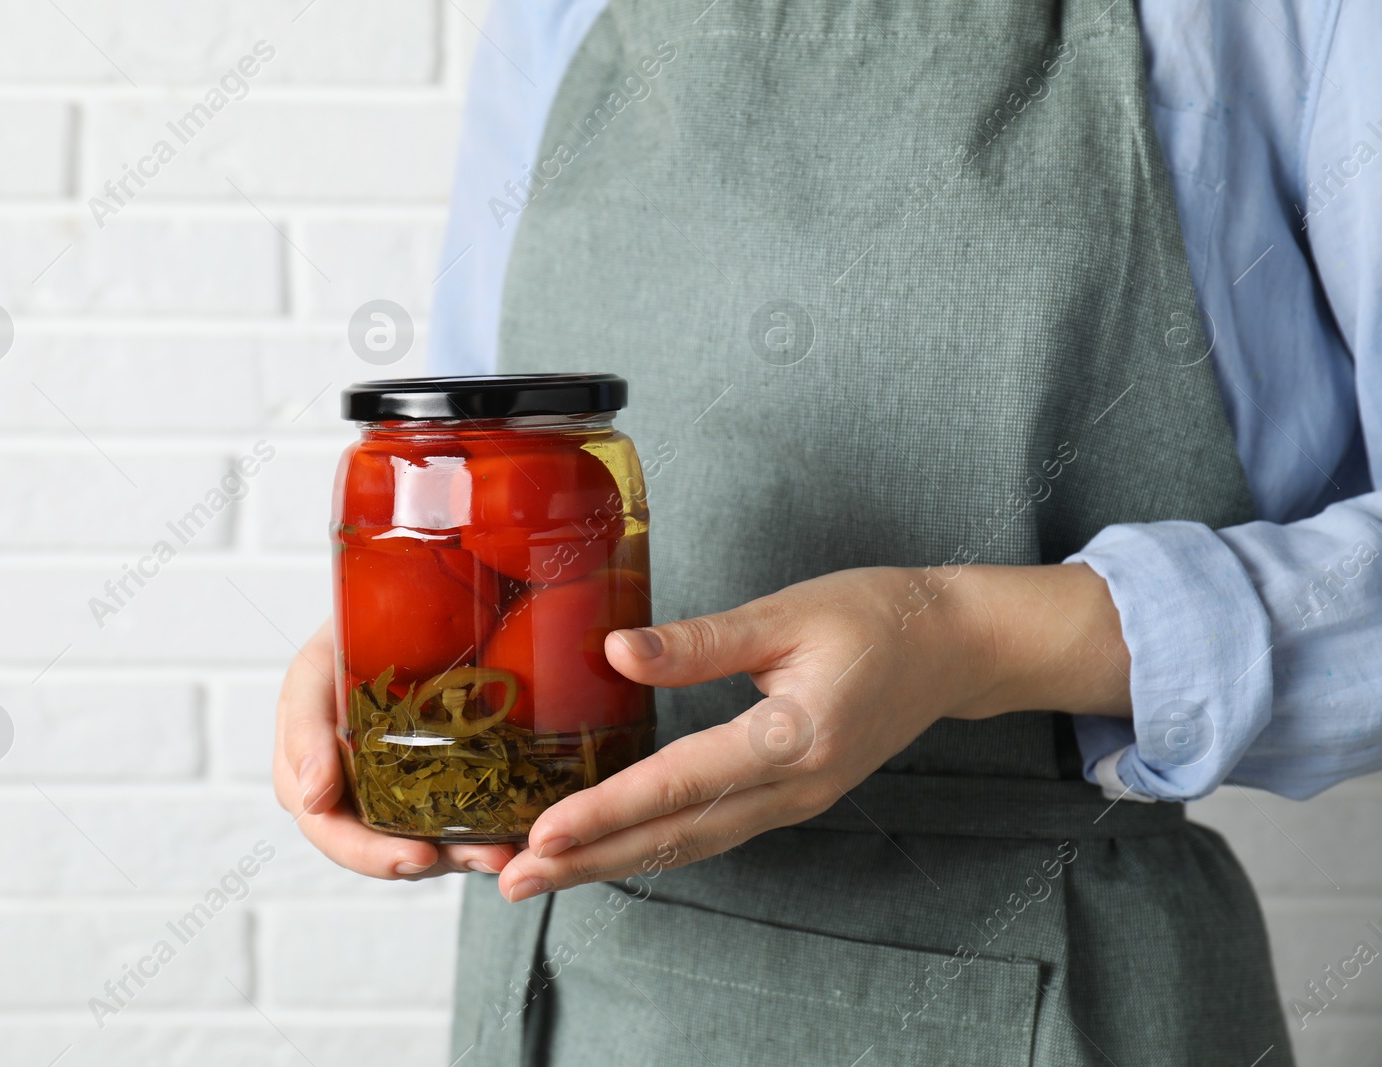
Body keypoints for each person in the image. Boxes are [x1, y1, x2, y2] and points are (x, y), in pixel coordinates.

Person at [274, 0, 1381, 1062]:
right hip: (571, 977)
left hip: (1045, 988)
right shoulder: (552, 13)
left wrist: (963, 634)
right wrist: (405, 659)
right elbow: (478, 456)